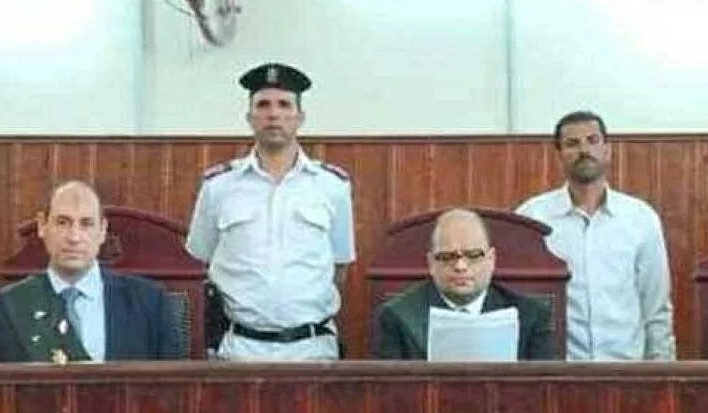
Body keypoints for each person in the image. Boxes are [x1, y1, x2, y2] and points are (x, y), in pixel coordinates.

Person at [186, 62, 355, 360]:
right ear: (250, 117)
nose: (274, 114)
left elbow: (339, 267)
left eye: (284, 105)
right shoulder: (219, 186)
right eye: (263, 105)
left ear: (300, 117)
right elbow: (202, 257)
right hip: (237, 349)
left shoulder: (332, 186)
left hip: (312, 350)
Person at [515, 110, 675, 361]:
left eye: (592, 140)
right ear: (559, 155)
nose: (584, 150)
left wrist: (663, 371)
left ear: (607, 149)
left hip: (627, 368)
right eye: (572, 143)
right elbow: (519, 303)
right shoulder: (532, 216)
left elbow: (656, 309)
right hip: (558, 369)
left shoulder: (640, 218)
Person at [0, 181, 183, 362]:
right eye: (62, 223)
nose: (74, 237)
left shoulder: (152, 303)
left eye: (86, 224)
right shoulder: (2, 309)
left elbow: (174, 390)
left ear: (102, 231)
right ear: (42, 226)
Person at [375, 208, 555, 360]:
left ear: (491, 259)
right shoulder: (397, 316)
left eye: (473, 255)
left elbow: (544, 387)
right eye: (447, 257)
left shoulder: (532, 315)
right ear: (431, 263)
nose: (460, 266)